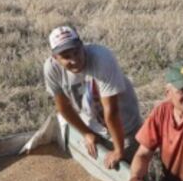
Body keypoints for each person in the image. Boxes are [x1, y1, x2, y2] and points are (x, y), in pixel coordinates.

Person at [42, 25, 142, 170]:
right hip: (93, 124)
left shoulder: (102, 59)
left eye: (76, 52)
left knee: (133, 174)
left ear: (82, 45)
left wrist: (119, 150)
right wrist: (86, 132)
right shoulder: (51, 69)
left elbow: (112, 111)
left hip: (124, 128)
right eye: (66, 57)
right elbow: (63, 107)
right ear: (55, 58)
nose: (74, 60)